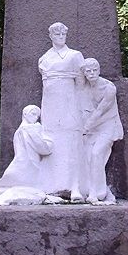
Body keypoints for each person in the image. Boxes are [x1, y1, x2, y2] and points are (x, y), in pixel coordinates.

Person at [37, 22, 85, 201]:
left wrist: (79, 107)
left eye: (63, 34)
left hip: (69, 103)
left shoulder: (74, 56)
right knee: (52, 143)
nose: (60, 37)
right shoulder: (44, 59)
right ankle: (52, 185)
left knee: (71, 144)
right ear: (50, 36)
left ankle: (75, 186)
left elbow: (81, 85)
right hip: (50, 105)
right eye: (56, 34)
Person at [0, 105, 54, 205]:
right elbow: (44, 148)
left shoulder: (20, 130)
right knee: (16, 185)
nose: (36, 117)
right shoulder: (30, 130)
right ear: (25, 114)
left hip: (22, 162)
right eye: (33, 114)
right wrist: (49, 141)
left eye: (37, 116)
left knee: (8, 184)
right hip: (29, 164)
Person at [80, 58, 123, 203]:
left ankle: (96, 192)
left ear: (99, 70)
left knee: (96, 153)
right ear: (84, 73)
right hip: (93, 128)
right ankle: (95, 190)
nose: (92, 73)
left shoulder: (109, 88)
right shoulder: (84, 88)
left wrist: (85, 128)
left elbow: (100, 111)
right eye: (88, 71)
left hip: (107, 126)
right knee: (88, 158)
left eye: (94, 70)